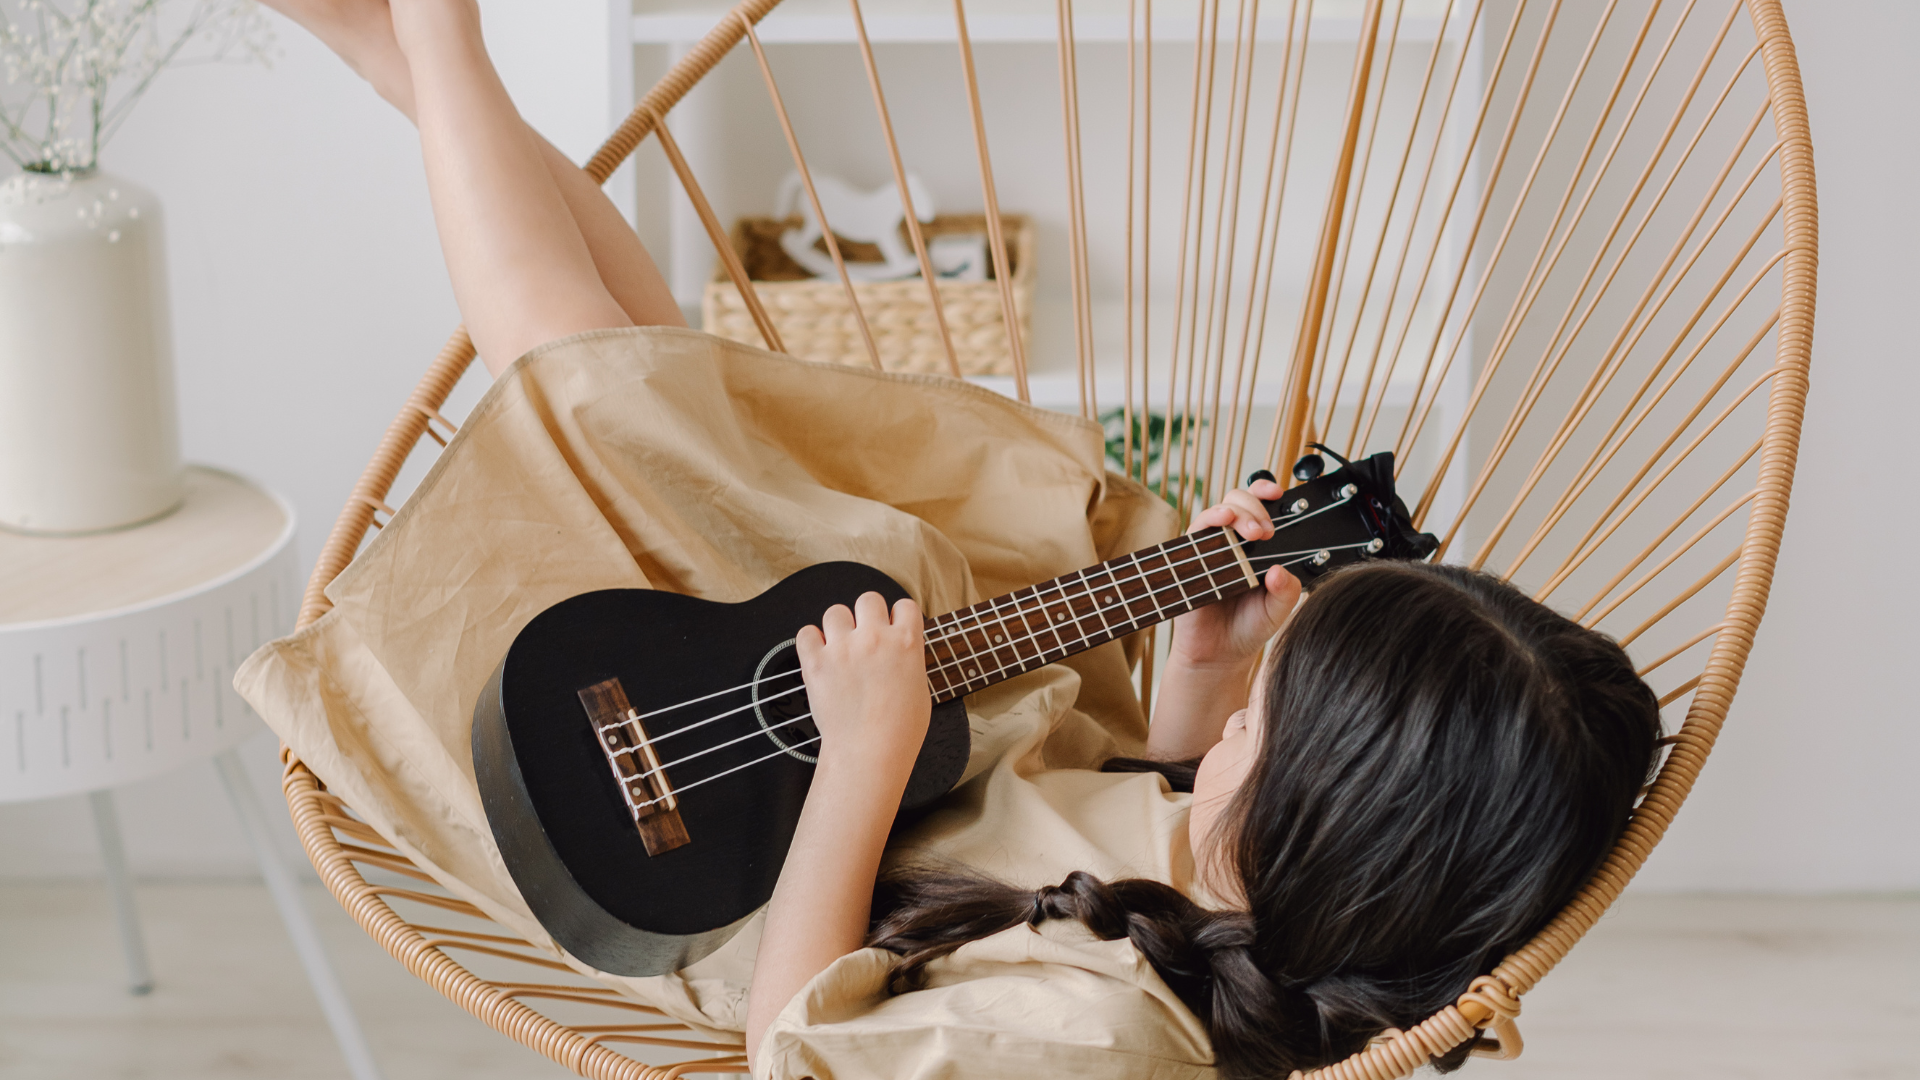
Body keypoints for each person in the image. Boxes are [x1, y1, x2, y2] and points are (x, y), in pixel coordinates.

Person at [257, 3, 1662, 1076]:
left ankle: (428, 48)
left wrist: (860, 765)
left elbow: (792, 1049)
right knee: (689, 410)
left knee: (621, 412)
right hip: (913, 759)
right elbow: (1150, 841)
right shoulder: (1268, 902)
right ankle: (420, 61)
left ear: (1333, 829)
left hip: (744, 845)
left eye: (1264, 727)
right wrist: (1189, 710)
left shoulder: (1087, 1042)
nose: (1250, 715)